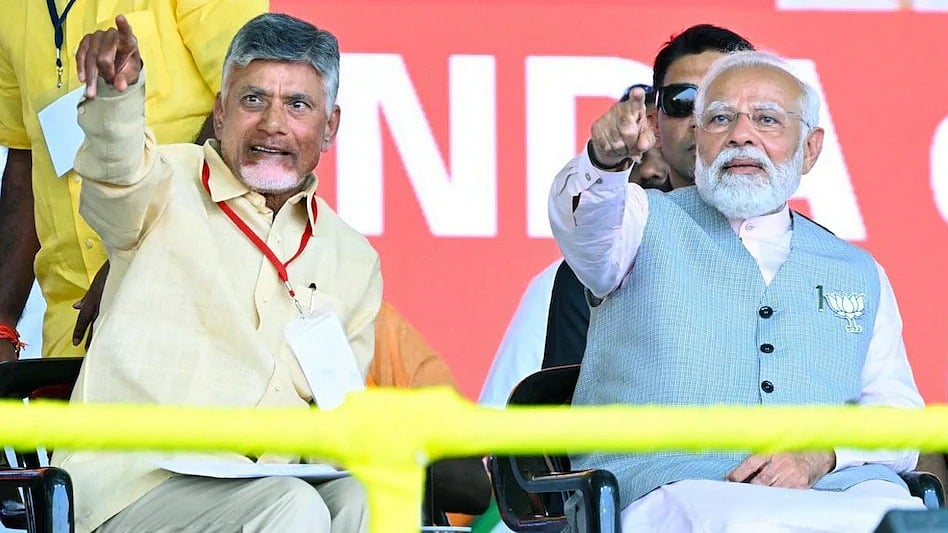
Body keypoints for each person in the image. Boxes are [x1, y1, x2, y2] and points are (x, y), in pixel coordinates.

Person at [549, 49, 925, 532]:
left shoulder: (858, 269)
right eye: (721, 119)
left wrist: (822, 455)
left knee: (910, 522)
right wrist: (602, 159)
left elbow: (898, 416)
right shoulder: (639, 223)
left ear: (809, 149)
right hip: (678, 490)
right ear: (698, 139)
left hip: (841, 488)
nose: (741, 135)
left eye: (766, 119)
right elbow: (581, 222)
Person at [51, 13, 378, 533]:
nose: (273, 123)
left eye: (297, 105)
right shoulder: (164, 183)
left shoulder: (353, 259)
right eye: (253, 100)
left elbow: (338, 414)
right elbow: (114, 175)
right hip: (137, 485)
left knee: (362, 498)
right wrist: (117, 98)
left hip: (267, 481)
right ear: (220, 113)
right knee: (293, 507)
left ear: (330, 126)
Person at [479, 25, 754, 403]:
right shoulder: (580, 277)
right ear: (656, 127)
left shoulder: (828, 265)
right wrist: (603, 161)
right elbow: (509, 437)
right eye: (683, 102)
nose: (704, 121)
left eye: (726, 107)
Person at [0, 0, 267, 362]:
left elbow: (253, 106)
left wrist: (138, 257)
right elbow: (25, 156)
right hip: (71, 326)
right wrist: (3, 323)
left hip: (188, 302)